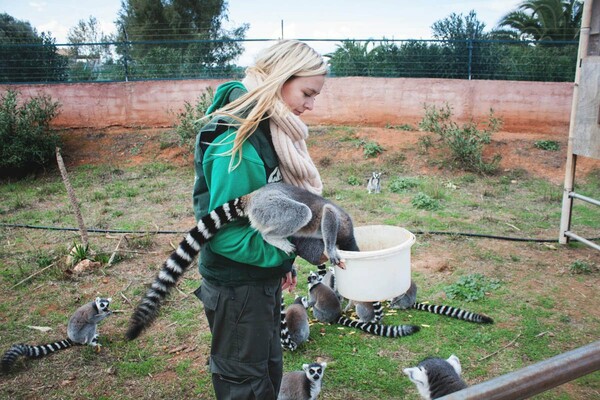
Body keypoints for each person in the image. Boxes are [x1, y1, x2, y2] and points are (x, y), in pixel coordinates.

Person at [192, 40, 327, 399]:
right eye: (307, 93)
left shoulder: (273, 132)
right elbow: (220, 235)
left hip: (259, 278)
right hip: (237, 287)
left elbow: (263, 217)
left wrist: (280, 260)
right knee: (245, 382)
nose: (311, 105)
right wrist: (282, 252)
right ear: (281, 78)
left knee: (268, 369)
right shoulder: (241, 146)